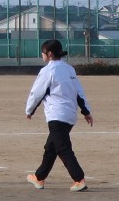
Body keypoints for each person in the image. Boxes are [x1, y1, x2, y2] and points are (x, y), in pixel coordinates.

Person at [25, 39, 93, 192]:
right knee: (51, 147)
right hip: (70, 115)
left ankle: (79, 179)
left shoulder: (47, 71)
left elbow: (37, 93)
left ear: (49, 54)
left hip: (56, 115)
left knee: (63, 148)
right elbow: (79, 93)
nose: (42, 55)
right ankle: (39, 177)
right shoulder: (69, 69)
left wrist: (29, 110)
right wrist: (86, 111)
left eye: (43, 52)